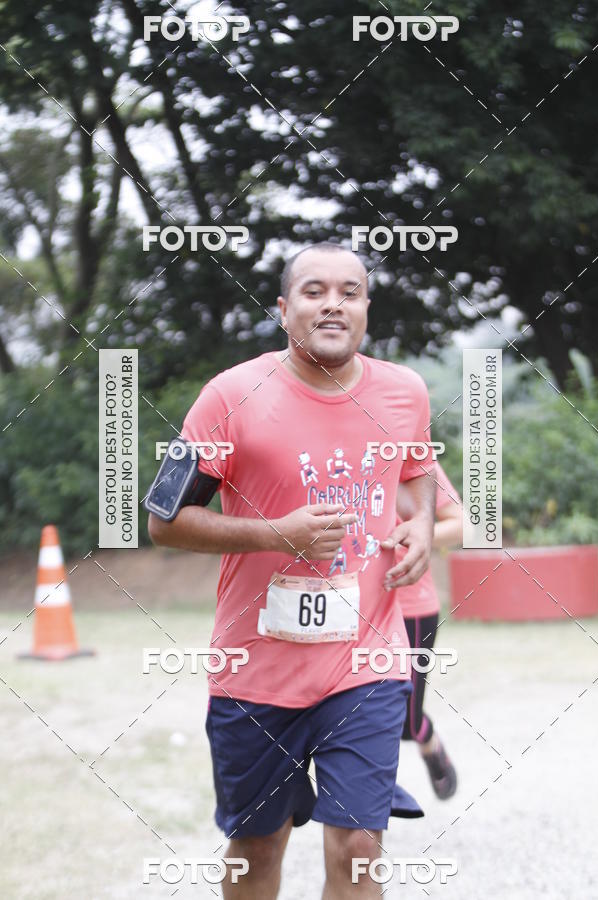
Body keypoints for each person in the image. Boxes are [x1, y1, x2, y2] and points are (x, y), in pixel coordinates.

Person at [148, 242, 437, 899]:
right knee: (257, 848)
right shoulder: (229, 395)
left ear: (366, 308)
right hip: (256, 671)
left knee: (360, 846)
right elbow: (163, 521)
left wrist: (417, 528)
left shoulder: (404, 393)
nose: (332, 303)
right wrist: (276, 533)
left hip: (367, 663)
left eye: (350, 291)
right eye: (313, 291)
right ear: (283, 310)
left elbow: (418, 479)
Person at [394, 463, 462, 800]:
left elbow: (461, 525)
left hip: (411, 608)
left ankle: (430, 743)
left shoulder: (415, 460)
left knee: (406, 721)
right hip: (351, 611)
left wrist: (416, 534)